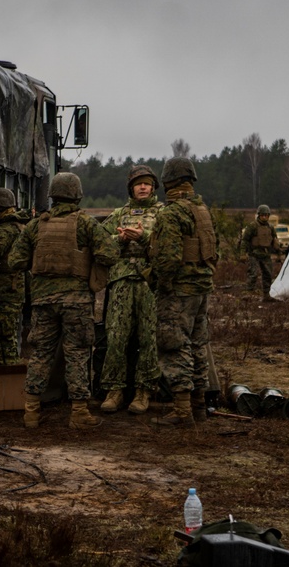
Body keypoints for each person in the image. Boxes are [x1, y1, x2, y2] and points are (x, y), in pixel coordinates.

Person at [8, 172, 119, 429]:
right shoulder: (86, 224)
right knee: (77, 354)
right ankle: (79, 413)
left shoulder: (36, 225)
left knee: (40, 354)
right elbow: (110, 253)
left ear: (53, 195)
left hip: (43, 301)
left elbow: (15, 261)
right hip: (77, 302)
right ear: (77, 194)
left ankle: (31, 412)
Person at [148, 157, 218, 427]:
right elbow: (214, 250)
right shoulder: (203, 210)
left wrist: (159, 284)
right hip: (201, 288)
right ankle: (198, 406)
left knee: (174, 346)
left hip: (178, 291)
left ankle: (181, 410)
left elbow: (167, 260)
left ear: (167, 182)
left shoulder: (172, 213)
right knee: (198, 346)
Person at [99, 165, 164, 414]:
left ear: (154, 187)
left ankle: (143, 391)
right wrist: (121, 240)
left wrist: (144, 237)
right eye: (139, 184)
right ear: (131, 188)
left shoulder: (163, 213)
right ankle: (114, 390)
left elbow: (169, 245)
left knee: (148, 338)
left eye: (147, 183)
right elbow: (101, 242)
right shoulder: (119, 214)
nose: (143, 187)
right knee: (116, 336)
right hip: (122, 281)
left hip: (150, 284)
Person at [0, 187, 26, 366]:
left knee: (4, 339)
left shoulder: (6, 230)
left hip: (6, 291)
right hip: (9, 290)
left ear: (0, 208)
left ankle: (9, 384)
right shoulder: (15, 226)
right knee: (5, 337)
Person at [241, 204, 279, 299]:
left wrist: (278, 252)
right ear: (259, 215)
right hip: (253, 253)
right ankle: (248, 294)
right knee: (253, 274)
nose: (265, 217)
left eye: (266, 215)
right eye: (263, 215)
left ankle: (267, 295)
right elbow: (245, 240)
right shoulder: (252, 226)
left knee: (268, 274)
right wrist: (242, 254)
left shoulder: (270, 227)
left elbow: (274, 239)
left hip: (265, 254)